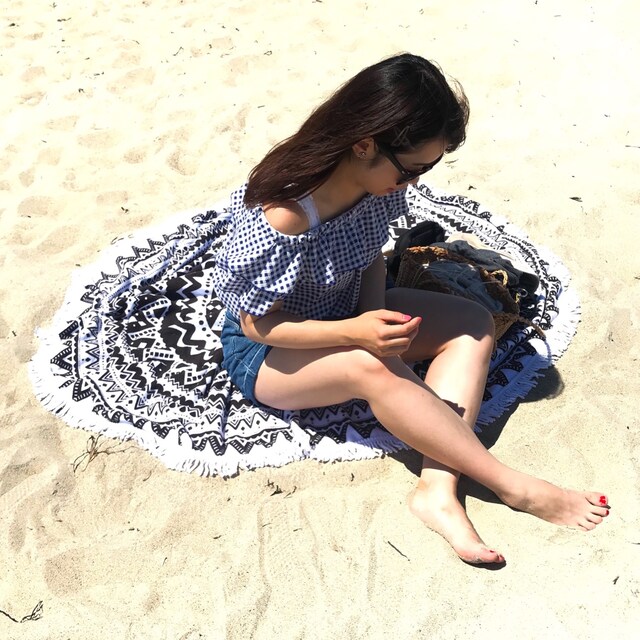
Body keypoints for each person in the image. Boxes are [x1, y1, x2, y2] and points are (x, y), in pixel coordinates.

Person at [212, 53, 609, 565]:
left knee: (472, 323)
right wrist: (359, 335)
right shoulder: (286, 214)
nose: (415, 182)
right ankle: (513, 486)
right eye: (412, 169)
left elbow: (371, 259)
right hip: (267, 354)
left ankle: (437, 491)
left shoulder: (376, 186)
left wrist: (378, 321)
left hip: (343, 309)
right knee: (368, 365)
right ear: (364, 144)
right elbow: (257, 324)